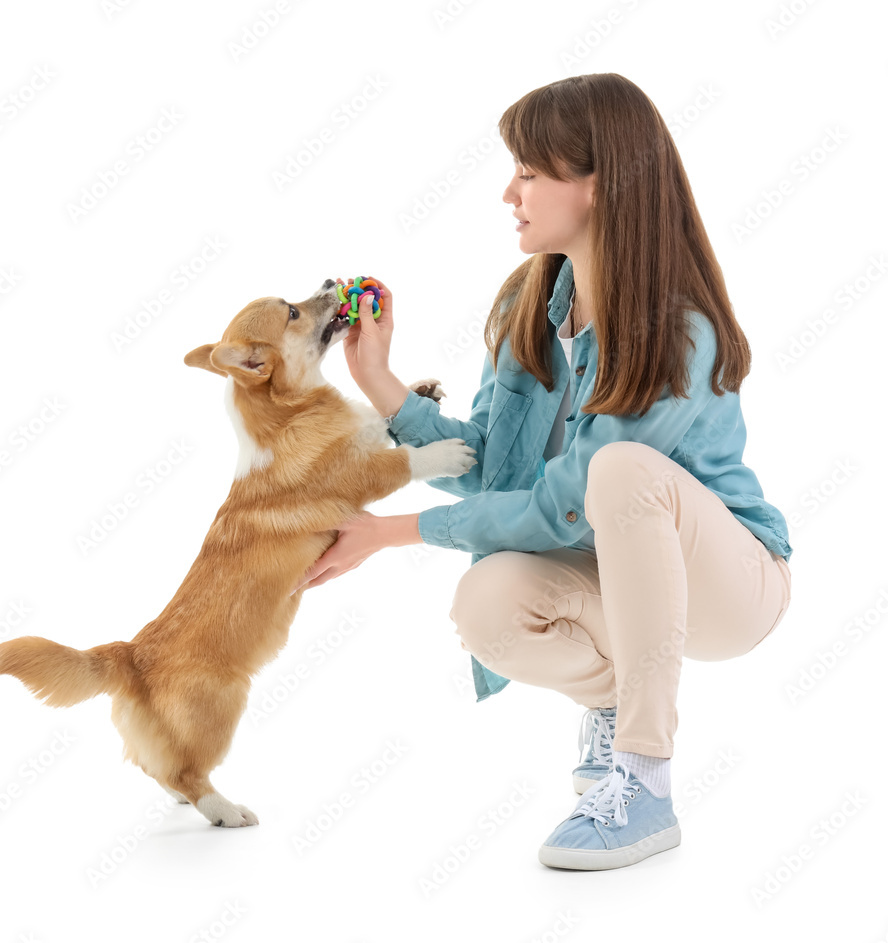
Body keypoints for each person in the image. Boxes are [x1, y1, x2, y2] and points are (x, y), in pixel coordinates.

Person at [288, 73, 793, 871]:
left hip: (731, 586)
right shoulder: (530, 304)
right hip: (612, 576)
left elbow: (571, 494)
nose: (507, 192)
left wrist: (392, 532)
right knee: (487, 602)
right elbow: (495, 469)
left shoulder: (677, 330)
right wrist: (382, 382)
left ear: (597, 184)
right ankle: (610, 698)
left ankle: (644, 780)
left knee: (621, 471)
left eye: (528, 170)